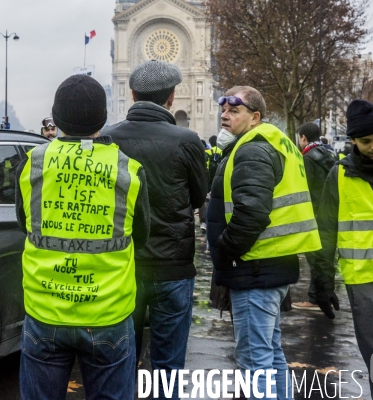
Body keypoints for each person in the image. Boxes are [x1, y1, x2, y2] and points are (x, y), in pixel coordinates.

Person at [15, 74, 150, 400]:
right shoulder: (128, 170)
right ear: (103, 119)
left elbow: (25, 224)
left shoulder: (33, 163)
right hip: (108, 314)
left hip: (45, 310)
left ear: (56, 118)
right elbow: (141, 236)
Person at [206, 86, 321, 400]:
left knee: (254, 361)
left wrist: (225, 250)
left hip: (253, 268)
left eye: (235, 110)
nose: (226, 116)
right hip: (271, 265)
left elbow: (251, 213)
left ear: (255, 117)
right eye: (224, 109)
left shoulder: (253, 149)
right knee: (270, 354)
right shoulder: (272, 142)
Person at [102, 59, 208, 399]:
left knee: (120, 361)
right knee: (168, 367)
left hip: (121, 268)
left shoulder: (108, 139)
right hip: (173, 266)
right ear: (172, 97)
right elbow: (197, 195)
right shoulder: (188, 139)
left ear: (132, 95)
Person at [314, 100, 373, 399]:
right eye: (366, 141)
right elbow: (325, 233)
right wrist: (321, 281)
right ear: (352, 141)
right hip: (363, 283)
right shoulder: (339, 175)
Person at [292, 122, 337, 311]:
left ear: (303, 138)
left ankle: (314, 298)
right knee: (325, 257)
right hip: (330, 212)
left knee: (314, 258)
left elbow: (305, 189)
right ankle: (325, 293)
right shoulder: (331, 153)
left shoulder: (307, 158)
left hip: (314, 214)